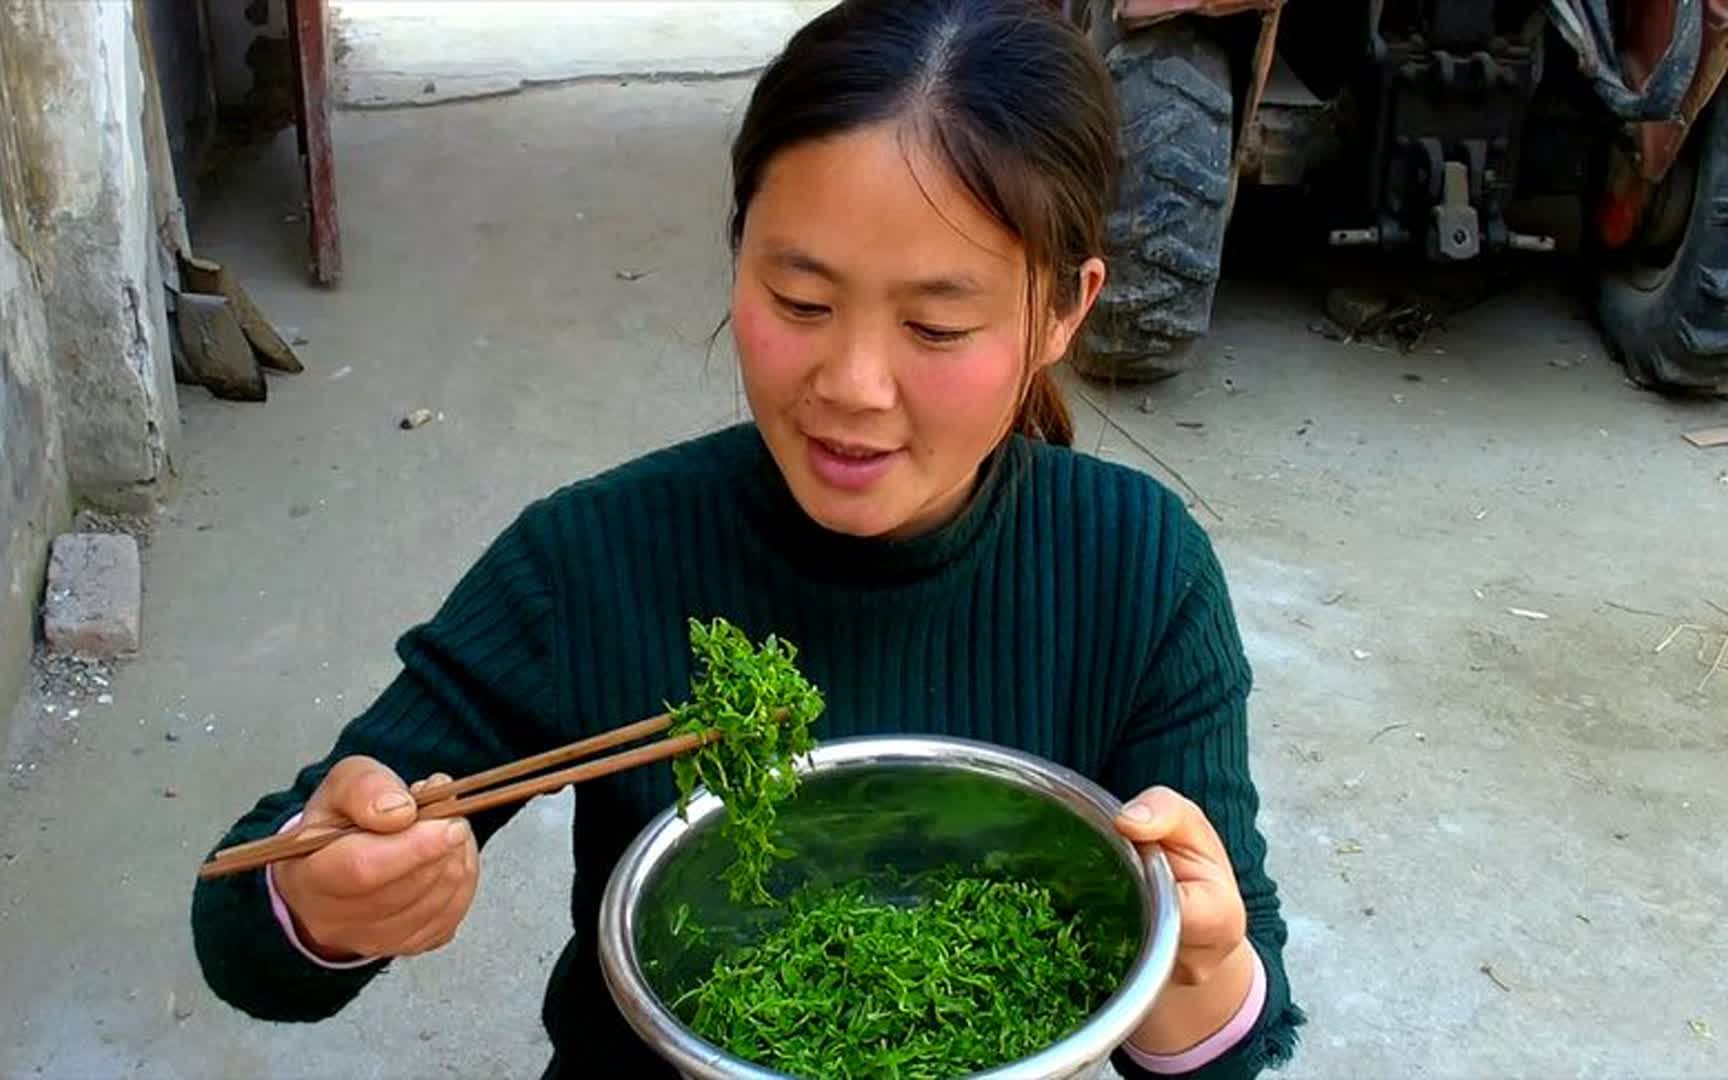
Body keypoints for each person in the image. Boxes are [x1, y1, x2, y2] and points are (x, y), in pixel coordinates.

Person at [190, 1, 1304, 1076]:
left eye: (936, 326)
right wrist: (329, 900)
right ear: (739, 258)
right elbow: (247, 921)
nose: (853, 386)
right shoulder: (595, 558)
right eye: (801, 300)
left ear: (1062, 312)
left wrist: (1197, 966)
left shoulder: (1138, 574)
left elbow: (1233, 1039)